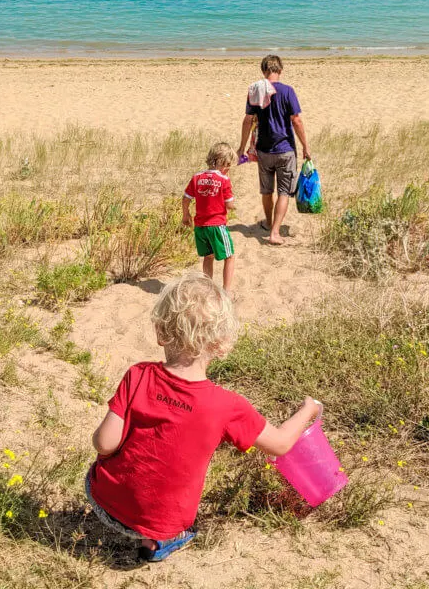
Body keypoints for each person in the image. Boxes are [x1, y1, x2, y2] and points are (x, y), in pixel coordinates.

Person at [86, 274, 322, 562]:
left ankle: (149, 532)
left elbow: (104, 443)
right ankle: (157, 541)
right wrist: (308, 409)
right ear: (222, 345)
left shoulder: (139, 375)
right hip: (166, 521)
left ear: (161, 332)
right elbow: (281, 444)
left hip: (103, 502)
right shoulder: (227, 405)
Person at [238, 55, 311, 246]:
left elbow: (247, 120)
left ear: (263, 71)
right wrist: (305, 146)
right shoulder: (288, 91)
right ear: (280, 71)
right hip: (285, 149)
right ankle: (275, 232)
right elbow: (296, 121)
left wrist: (241, 148)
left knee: (266, 190)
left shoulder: (254, 91)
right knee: (284, 192)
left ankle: (269, 223)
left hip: (263, 149)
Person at [182, 142, 237, 294]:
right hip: (217, 225)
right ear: (224, 163)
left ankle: (208, 288)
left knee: (208, 256)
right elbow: (230, 204)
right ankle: (226, 291)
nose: (228, 169)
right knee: (230, 256)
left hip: (200, 226)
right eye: (228, 165)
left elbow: (186, 198)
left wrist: (185, 215)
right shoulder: (223, 180)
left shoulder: (197, 177)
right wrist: (234, 204)